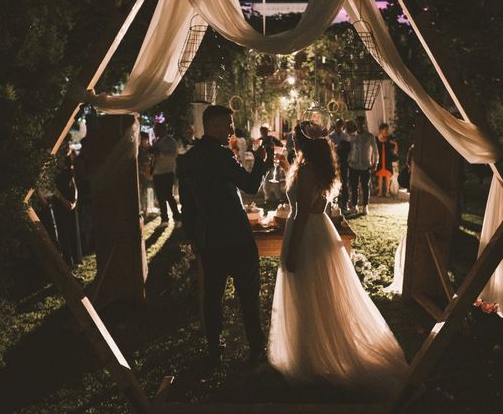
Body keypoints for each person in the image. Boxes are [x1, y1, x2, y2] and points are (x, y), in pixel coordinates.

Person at [268, 122, 407, 394]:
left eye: (295, 139)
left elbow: (304, 209)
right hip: (316, 229)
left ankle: (310, 358)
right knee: (316, 293)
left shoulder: (308, 168)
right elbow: (305, 195)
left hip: (306, 232)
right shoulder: (313, 165)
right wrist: (286, 166)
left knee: (307, 293)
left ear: (305, 143)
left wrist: (294, 248)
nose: (293, 143)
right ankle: (311, 352)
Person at [179, 105, 270, 367]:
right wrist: (263, 163)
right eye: (228, 124)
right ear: (215, 126)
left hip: (210, 239)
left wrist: (194, 237)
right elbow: (251, 186)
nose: (232, 129)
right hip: (236, 237)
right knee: (248, 295)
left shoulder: (189, 160)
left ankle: (214, 350)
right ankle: (256, 349)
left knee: (213, 297)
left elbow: (188, 205)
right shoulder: (221, 156)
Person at [52, 143, 83, 268]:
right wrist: (64, 201)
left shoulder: (69, 164)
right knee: (63, 230)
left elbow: (74, 183)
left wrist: (74, 200)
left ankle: (77, 258)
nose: (68, 150)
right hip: (60, 201)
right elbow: (53, 188)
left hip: (70, 200)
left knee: (73, 229)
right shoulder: (53, 166)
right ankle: (68, 260)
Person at [151, 122, 181, 227]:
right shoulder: (156, 142)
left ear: (163, 130)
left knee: (169, 195)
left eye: (156, 129)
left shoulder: (171, 141)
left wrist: (160, 154)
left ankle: (177, 218)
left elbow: (173, 155)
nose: (155, 131)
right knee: (160, 197)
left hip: (168, 171)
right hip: (157, 172)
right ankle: (164, 220)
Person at [347, 115, 378, 215]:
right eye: (358, 123)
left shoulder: (370, 136)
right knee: (354, 186)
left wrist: (375, 163)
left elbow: (375, 151)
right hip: (354, 165)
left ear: (364, 124)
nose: (360, 125)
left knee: (365, 186)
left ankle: (365, 206)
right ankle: (354, 206)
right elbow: (350, 149)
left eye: (361, 123)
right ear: (356, 124)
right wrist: (348, 159)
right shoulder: (352, 136)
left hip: (366, 165)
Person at [329, 119, 351, 211]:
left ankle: (344, 202)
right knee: (332, 181)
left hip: (343, 162)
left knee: (344, 182)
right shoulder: (331, 136)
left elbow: (349, 149)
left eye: (340, 125)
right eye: (338, 125)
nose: (339, 127)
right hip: (333, 162)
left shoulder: (345, 136)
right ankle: (333, 201)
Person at [375, 123, 398, 197]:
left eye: (387, 130)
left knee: (387, 175)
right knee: (380, 176)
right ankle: (380, 192)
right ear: (381, 130)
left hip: (387, 160)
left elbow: (395, 152)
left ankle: (387, 192)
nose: (386, 132)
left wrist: (395, 144)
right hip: (379, 160)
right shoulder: (376, 139)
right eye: (385, 130)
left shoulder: (389, 140)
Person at [137, 131, 152, 216]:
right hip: (141, 174)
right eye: (146, 140)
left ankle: (144, 209)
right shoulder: (141, 150)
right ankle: (143, 210)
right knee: (142, 192)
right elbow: (145, 162)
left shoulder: (143, 150)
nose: (147, 142)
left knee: (143, 192)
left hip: (143, 174)